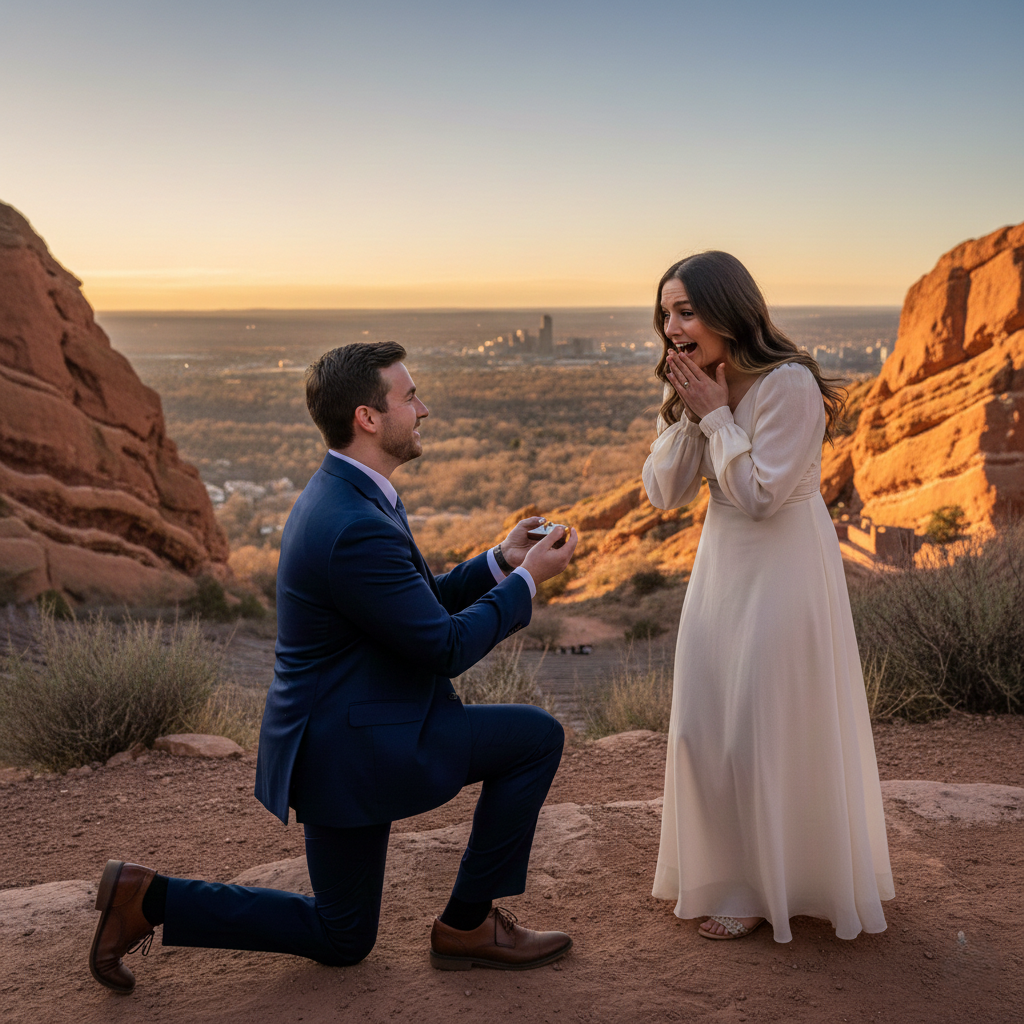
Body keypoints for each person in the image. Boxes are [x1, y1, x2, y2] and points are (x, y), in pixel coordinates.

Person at [89, 341, 579, 994]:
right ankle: (466, 925)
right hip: (357, 745)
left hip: (349, 730)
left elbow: (411, 605)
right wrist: (529, 585)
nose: (423, 408)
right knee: (531, 740)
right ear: (368, 418)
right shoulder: (355, 523)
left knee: (345, 934)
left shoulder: (350, 493)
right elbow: (444, 647)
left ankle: (149, 900)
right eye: (409, 397)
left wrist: (499, 560)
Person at [643, 252, 894, 943]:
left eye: (686, 310)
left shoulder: (790, 385)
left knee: (761, 724)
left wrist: (717, 417)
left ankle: (769, 886)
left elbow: (760, 495)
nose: (672, 326)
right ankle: (724, 873)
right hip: (720, 569)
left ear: (729, 309)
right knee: (704, 724)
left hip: (783, 568)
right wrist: (692, 415)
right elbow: (662, 494)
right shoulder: (701, 387)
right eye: (666, 313)